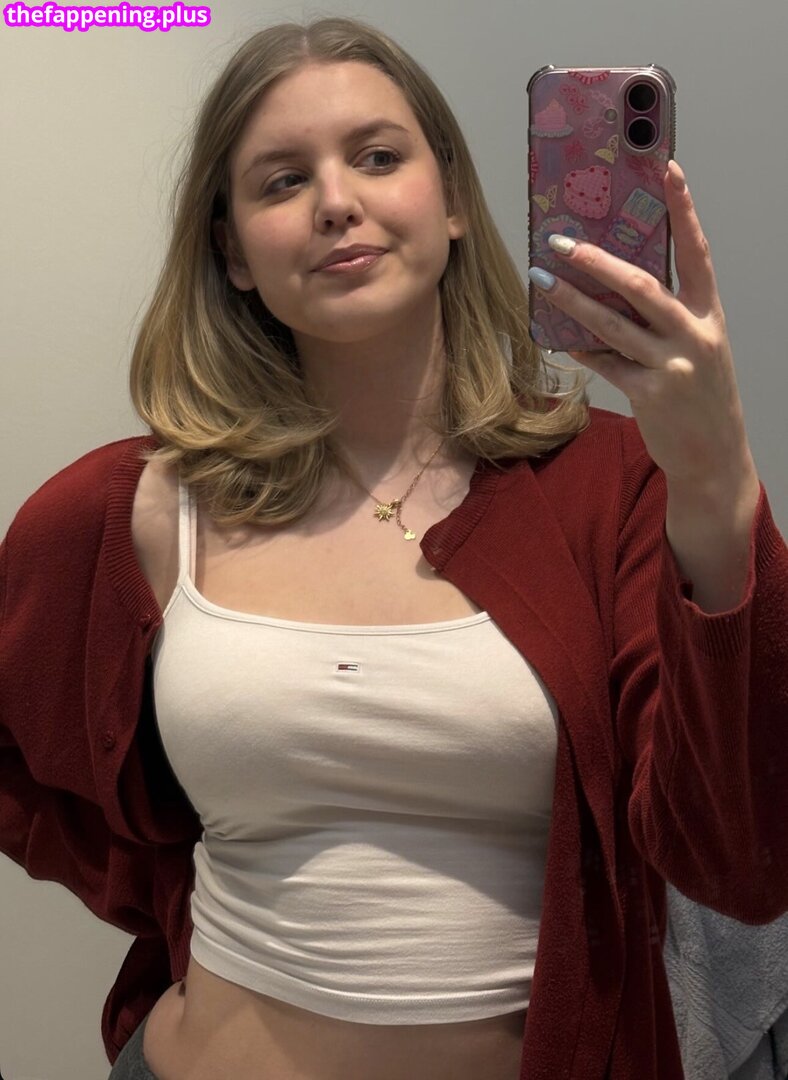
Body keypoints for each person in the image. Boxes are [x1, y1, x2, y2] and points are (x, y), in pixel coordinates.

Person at [0, 14, 786, 1080]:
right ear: (232, 251)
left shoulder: (618, 486)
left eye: (376, 157)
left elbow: (739, 864)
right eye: (282, 181)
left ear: (452, 200)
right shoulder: (133, 511)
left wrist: (716, 483)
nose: (335, 201)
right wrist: (175, 904)